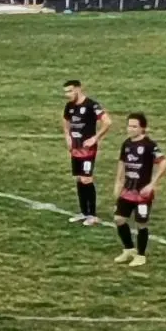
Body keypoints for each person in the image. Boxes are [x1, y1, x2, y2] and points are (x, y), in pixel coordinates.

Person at [114, 113, 166, 268]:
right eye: (129, 125)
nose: (130, 129)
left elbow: (165, 164)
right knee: (119, 219)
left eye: (134, 126)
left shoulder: (149, 145)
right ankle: (129, 249)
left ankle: (141, 255)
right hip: (128, 190)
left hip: (142, 194)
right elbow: (122, 163)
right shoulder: (126, 144)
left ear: (142, 128)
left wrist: (152, 184)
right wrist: (118, 183)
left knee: (141, 223)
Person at [62, 79, 111, 226]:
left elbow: (107, 122)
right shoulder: (70, 106)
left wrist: (95, 138)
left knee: (86, 179)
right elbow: (65, 121)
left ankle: (93, 215)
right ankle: (83, 212)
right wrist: (67, 136)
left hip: (88, 150)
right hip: (75, 149)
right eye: (66, 92)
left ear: (78, 89)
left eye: (70, 91)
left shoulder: (91, 105)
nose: (68, 95)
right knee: (78, 179)